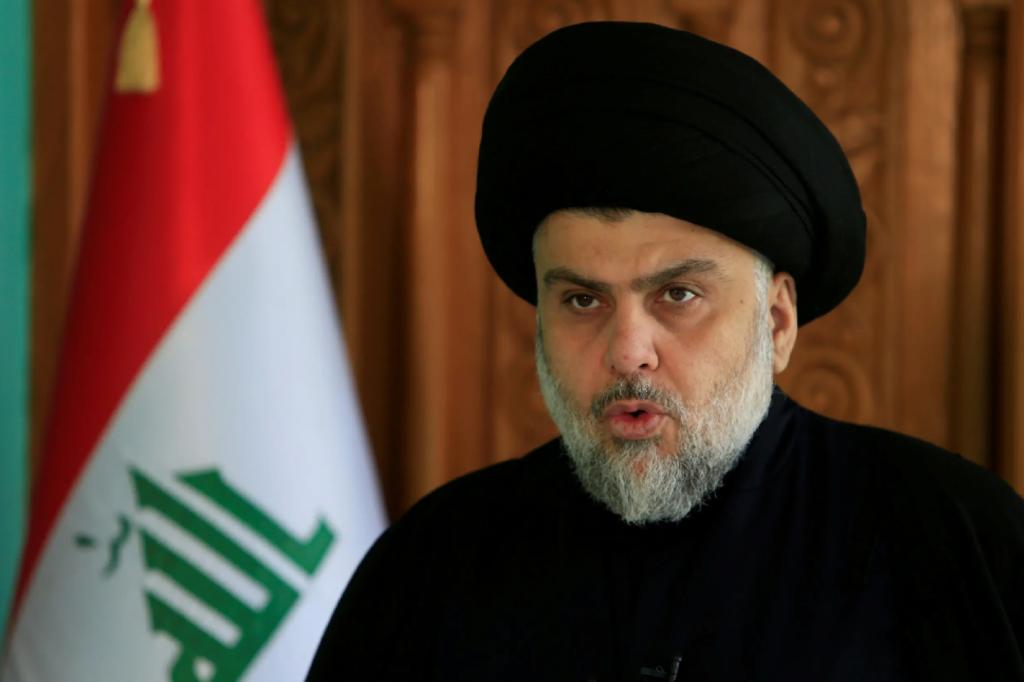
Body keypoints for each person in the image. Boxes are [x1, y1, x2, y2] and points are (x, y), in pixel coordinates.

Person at [307, 22, 1024, 681]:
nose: (628, 353)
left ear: (777, 322)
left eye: (678, 295)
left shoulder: (954, 544)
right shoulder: (433, 567)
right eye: (582, 301)